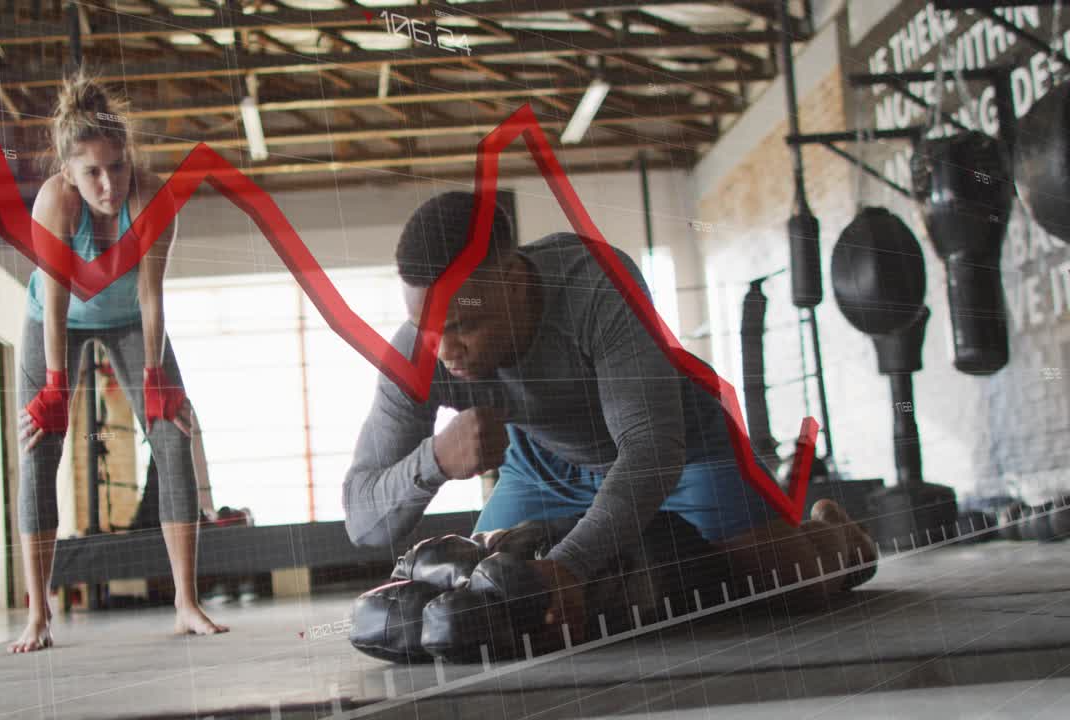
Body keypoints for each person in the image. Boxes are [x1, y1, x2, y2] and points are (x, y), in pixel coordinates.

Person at [343, 191, 877, 642]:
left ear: (511, 279)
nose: (442, 350)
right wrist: (433, 460)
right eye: (428, 327)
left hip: (678, 446)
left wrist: (570, 565)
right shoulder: (418, 351)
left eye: (461, 325)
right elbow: (363, 521)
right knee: (498, 596)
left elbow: (650, 451)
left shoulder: (597, 284)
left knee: (792, 588)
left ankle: (837, 534)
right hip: (545, 462)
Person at [11, 70, 228, 653]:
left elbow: (152, 295)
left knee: (174, 434)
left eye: (117, 166)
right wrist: (55, 386)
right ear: (68, 172)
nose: (108, 184)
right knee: (37, 449)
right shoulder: (54, 203)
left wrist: (156, 380)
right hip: (54, 321)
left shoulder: (153, 198)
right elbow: (55, 298)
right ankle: (38, 615)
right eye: (92, 172)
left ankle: (186, 602)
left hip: (129, 319)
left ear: (129, 159)